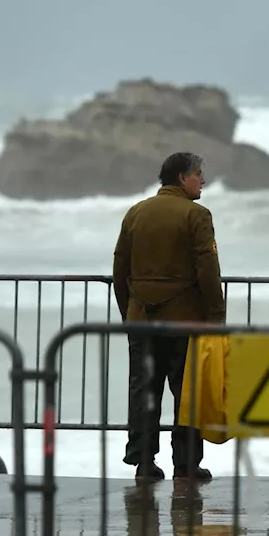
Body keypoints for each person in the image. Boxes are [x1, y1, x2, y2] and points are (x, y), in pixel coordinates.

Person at [113, 151, 226, 481]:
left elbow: (120, 269)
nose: (202, 180)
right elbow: (208, 271)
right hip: (184, 321)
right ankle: (186, 464)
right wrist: (217, 320)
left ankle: (143, 463)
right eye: (198, 174)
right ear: (182, 178)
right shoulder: (197, 215)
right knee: (186, 393)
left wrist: (129, 313)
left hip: (141, 320)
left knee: (144, 390)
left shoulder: (136, 212)